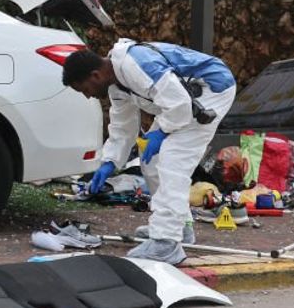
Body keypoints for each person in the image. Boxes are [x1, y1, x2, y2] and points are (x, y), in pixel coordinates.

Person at [61, 40, 236, 265]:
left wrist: (162, 132)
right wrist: (109, 163)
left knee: (173, 159)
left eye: (85, 89)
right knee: (151, 159)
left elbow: (180, 105)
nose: (88, 96)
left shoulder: (137, 65)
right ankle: (178, 227)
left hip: (212, 90)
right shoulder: (116, 84)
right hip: (183, 102)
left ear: (95, 76)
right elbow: (123, 127)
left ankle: (167, 243)